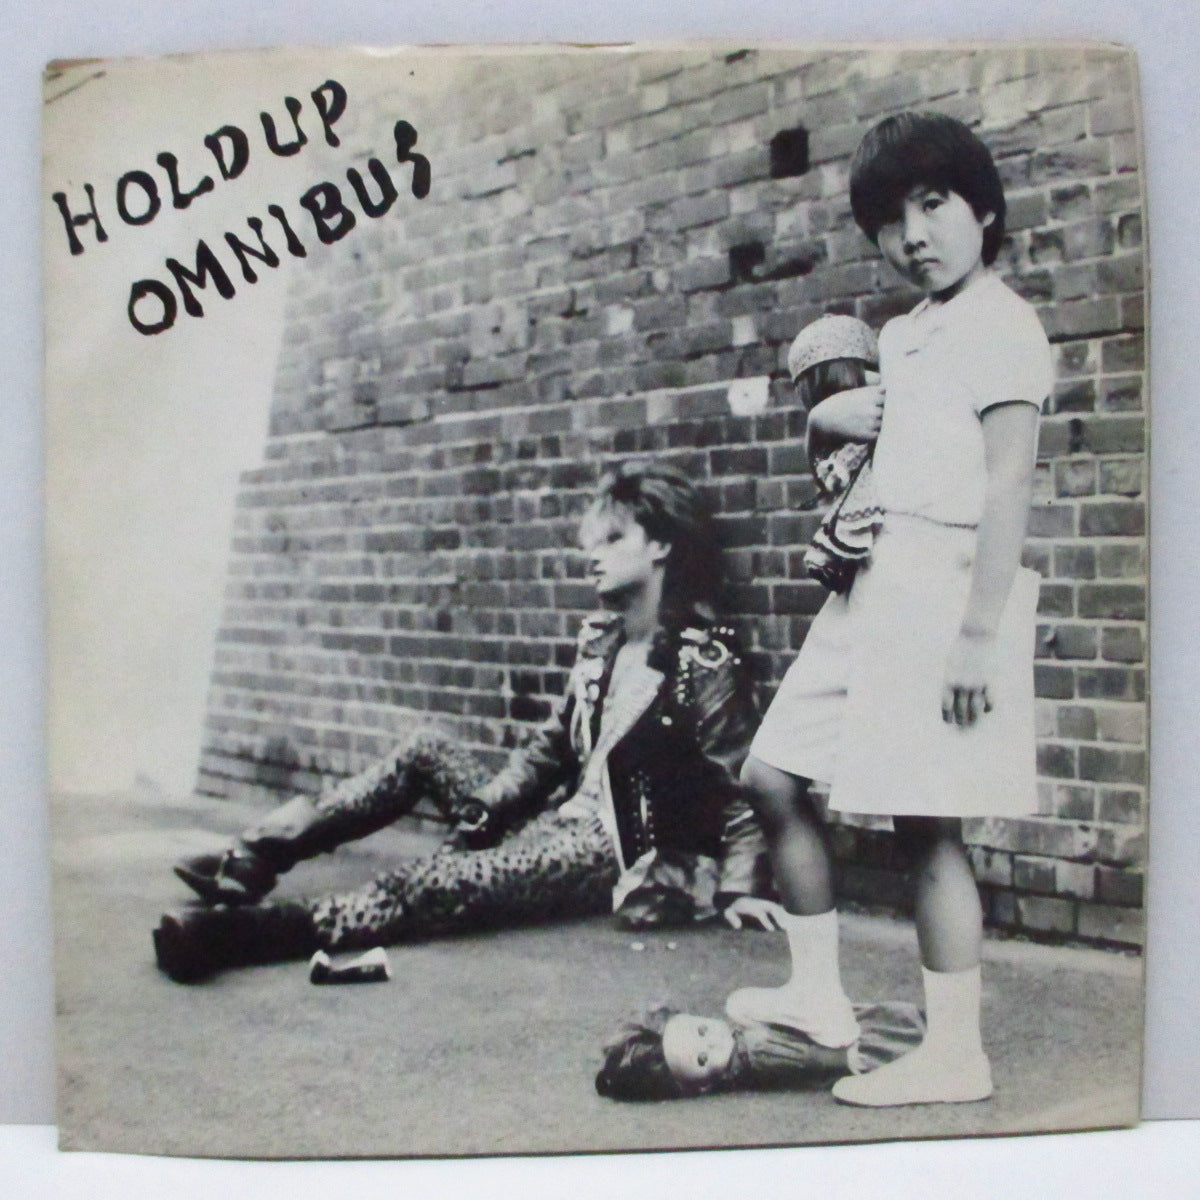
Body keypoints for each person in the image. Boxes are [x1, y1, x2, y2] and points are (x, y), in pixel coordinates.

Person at [154, 460, 779, 983]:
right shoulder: (602, 644)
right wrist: (486, 807)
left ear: (662, 546)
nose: (592, 557)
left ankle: (247, 935)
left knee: (445, 882)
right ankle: (253, 857)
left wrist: (741, 887)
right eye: (592, 542)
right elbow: (550, 751)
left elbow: (738, 788)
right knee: (427, 746)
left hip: (611, 854)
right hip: (551, 825)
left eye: (613, 541)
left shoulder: (702, 660)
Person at [731, 111, 1055, 1107]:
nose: (914, 235)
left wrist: (977, 635)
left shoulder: (1004, 324)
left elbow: (1008, 485)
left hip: (945, 591)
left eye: (933, 205)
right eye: (890, 219)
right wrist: (823, 420)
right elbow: (858, 463)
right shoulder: (904, 335)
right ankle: (817, 997)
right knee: (772, 775)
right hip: (870, 586)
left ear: (983, 210)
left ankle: (955, 1054)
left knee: (928, 824)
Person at [594, 1001, 924, 1101]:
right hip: (852, 1047)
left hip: (832, 1029)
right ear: (700, 1085)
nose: (712, 1043)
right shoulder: (756, 1051)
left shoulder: (741, 1038)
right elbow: (815, 1061)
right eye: (702, 1059)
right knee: (894, 1037)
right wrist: (849, 1058)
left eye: (702, 1031)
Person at [787, 314, 885, 594]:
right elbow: (824, 477)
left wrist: (818, 419)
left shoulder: (885, 397)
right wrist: (816, 423)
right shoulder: (836, 432)